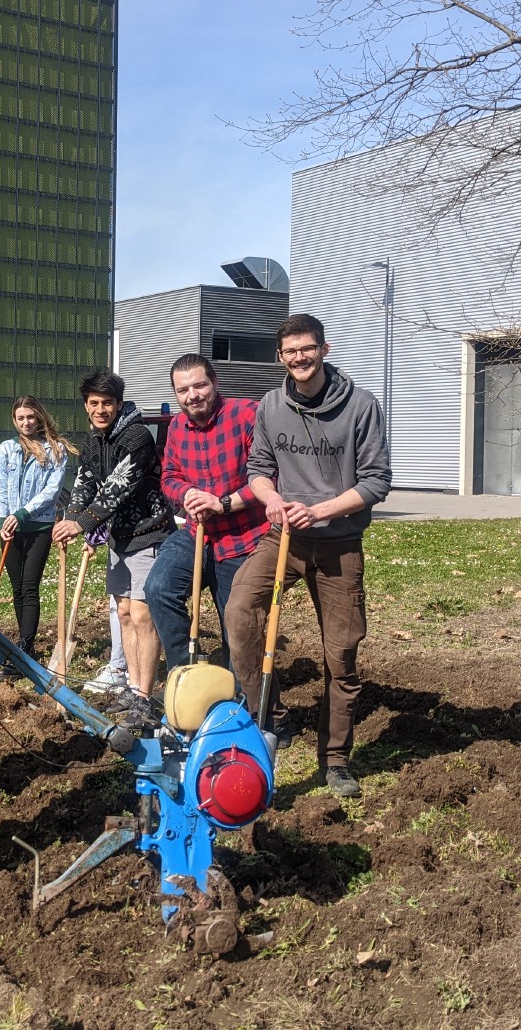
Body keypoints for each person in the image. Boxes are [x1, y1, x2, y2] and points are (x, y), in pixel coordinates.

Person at [224, 314, 392, 800]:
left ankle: (335, 758)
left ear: (323, 348)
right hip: (285, 539)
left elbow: (376, 482)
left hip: (338, 542)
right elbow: (258, 469)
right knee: (239, 612)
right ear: (281, 357)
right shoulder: (271, 407)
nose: (299, 357)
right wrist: (271, 499)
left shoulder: (360, 406)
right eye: (290, 351)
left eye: (307, 348)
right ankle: (268, 719)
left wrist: (319, 510)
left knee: (341, 652)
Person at [53, 371, 175, 727]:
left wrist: (83, 523)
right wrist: (71, 515)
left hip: (147, 532)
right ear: (86, 405)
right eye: (93, 403)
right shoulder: (95, 439)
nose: (100, 409)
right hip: (118, 537)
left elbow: (117, 487)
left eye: (107, 403)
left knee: (141, 616)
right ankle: (132, 687)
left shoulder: (136, 437)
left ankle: (144, 698)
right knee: (123, 615)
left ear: (119, 404)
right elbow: (86, 480)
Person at [145, 354, 268, 677]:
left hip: (243, 537)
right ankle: (185, 677)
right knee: (158, 588)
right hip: (196, 533)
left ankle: (246, 707)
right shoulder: (177, 426)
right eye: (183, 390)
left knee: (237, 627)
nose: (192, 395)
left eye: (199, 385)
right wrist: (186, 495)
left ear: (215, 383)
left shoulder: (246, 415)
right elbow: (169, 475)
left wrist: (223, 503)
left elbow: (270, 477)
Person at [0, 397, 75, 656]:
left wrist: (23, 514)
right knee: (17, 588)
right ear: (14, 420)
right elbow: (1, 489)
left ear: (39, 417)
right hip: (10, 529)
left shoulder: (55, 449)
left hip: (38, 527)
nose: (26, 422)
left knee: (29, 586)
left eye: (30, 417)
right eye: (20, 418)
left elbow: (52, 491)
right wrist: (0, 520)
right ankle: (22, 643)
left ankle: (26, 646)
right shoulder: (6, 449)